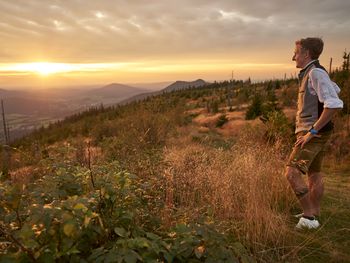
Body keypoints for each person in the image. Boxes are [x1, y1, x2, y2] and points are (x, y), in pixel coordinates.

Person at [285, 37, 343, 229]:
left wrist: (311, 132)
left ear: (306, 54)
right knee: (314, 173)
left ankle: (308, 218)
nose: (293, 57)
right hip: (317, 133)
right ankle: (314, 214)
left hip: (314, 135)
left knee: (292, 172)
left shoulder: (315, 73)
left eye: (296, 52)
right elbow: (335, 90)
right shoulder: (314, 72)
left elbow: (333, 104)